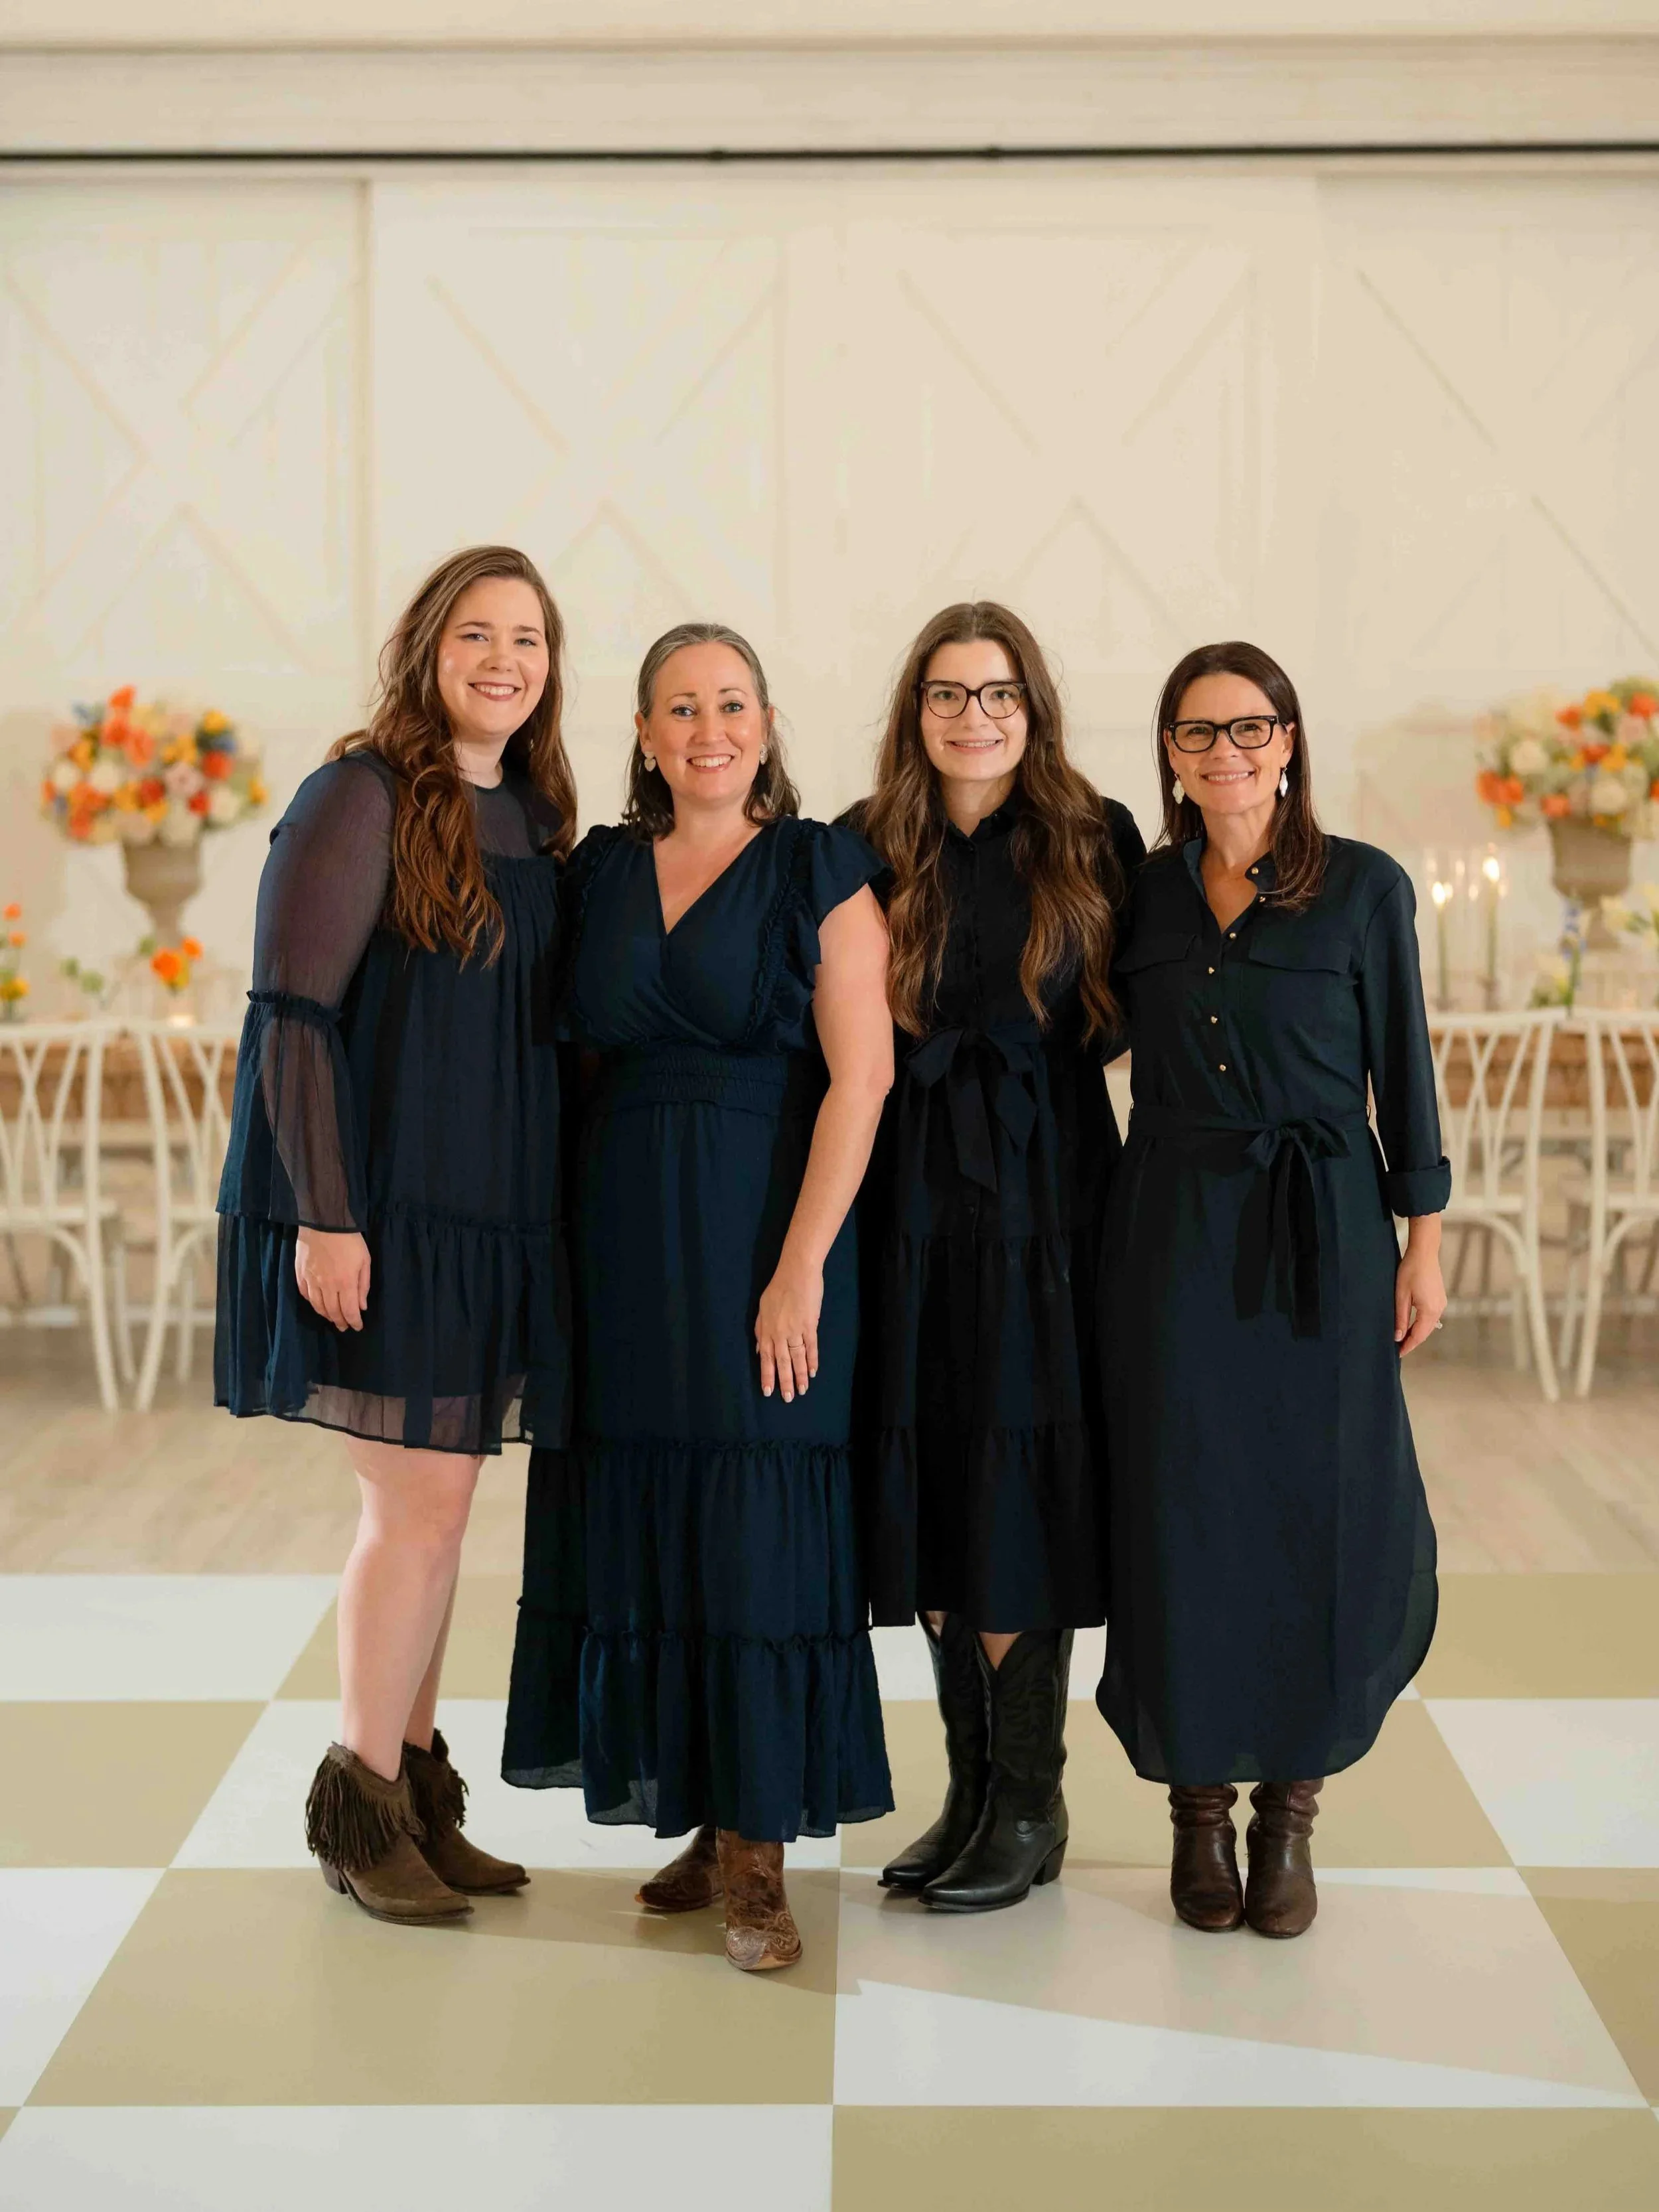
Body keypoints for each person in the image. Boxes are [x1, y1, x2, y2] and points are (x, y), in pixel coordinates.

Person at [504, 621, 894, 1972]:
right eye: (680, 707)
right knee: (650, 1518)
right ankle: (695, 1808)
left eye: (730, 703)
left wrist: (798, 1270)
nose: (707, 728)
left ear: (767, 722)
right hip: (622, 1247)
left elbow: (864, 1078)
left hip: (763, 1237)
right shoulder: (600, 868)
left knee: (756, 1530)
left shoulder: (818, 865)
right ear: (645, 731)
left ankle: (760, 1858)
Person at [216, 546, 575, 1926]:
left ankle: (419, 1795)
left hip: (492, 1216)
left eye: (528, 639)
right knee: (409, 1510)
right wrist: (324, 1214)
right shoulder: (356, 794)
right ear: (426, 646)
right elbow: (291, 1016)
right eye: (476, 633)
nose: (502, 659)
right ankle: (359, 1808)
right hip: (385, 1213)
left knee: (445, 1513)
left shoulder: (535, 811)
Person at [1096, 639, 1449, 1940]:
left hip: (1325, 1233)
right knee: (1181, 1508)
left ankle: (1287, 1810)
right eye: (1196, 734)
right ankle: (1195, 1807)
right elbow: (1066, 1031)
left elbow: (1401, 1068)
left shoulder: (1361, 888)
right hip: (1171, 1230)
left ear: (1289, 741)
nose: (1225, 753)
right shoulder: (1136, 891)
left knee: (1319, 1507)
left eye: (1248, 729)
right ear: (1170, 757)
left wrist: (1423, 1233)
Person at [846, 601, 1144, 1912]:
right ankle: (969, 1787)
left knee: (1017, 1485)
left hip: (1046, 1207)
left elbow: (1140, 1016)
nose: (976, 716)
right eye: (950, 694)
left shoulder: (1095, 837)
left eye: (1000, 692)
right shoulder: (865, 845)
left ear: (1032, 707)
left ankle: (1030, 1794)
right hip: (908, 1205)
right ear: (914, 714)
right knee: (931, 1478)